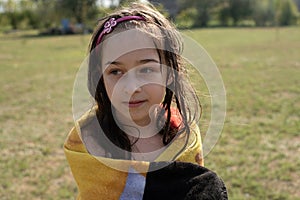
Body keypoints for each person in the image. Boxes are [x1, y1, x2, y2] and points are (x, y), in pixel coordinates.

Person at [64, 2, 227, 200]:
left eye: (146, 69)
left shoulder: (184, 136)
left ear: (169, 73)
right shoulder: (87, 139)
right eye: (115, 71)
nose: (131, 87)